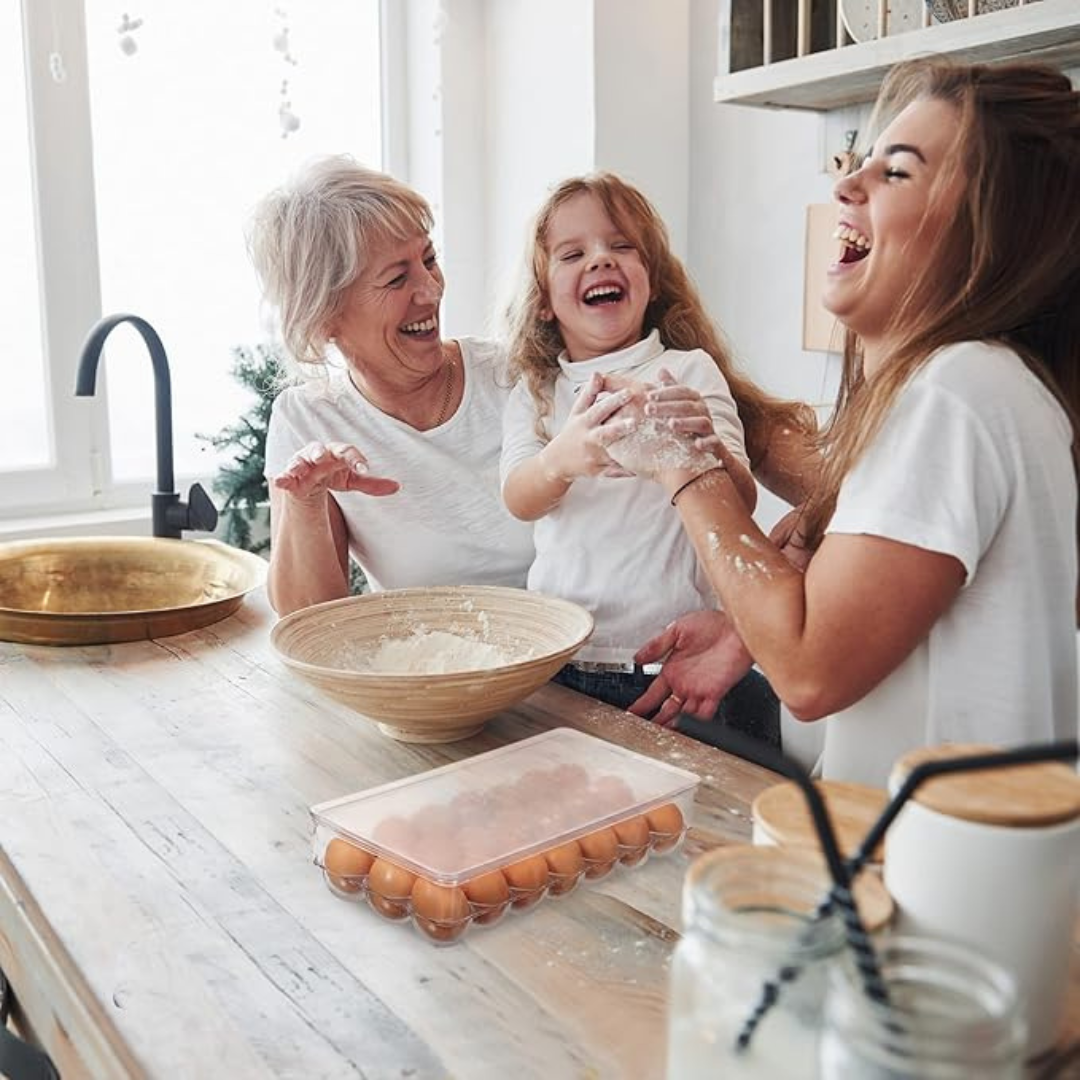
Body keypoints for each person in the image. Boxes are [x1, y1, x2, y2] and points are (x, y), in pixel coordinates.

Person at [625, 58, 1080, 785]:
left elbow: (810, 667)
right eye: (858, 163)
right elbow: (859, 613)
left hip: (936, 880)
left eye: (894, 173)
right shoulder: (986, 389)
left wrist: (686, 464)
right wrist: (752, 625)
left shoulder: (958, 391)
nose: (845, 185)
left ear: (992, 231)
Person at [499, 172, 815, 749]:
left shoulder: (690, 371)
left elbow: (739, 501)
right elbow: (519, 497)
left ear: (652, 281)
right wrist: (561, 460)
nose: (601, 261)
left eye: (622, 247)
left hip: (677, 657)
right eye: (574, 253)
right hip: (562, 660)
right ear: (544, 301)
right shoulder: (537, 392)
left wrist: (706, 452)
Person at [248, 156, 535, 615]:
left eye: (429, 259)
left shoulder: (515, 376)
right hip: (429, 675)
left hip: (574, 666)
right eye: (397, 278)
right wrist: (305, 504)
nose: (431, 290)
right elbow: (311, 619)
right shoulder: (309, 418)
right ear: (325, 318)